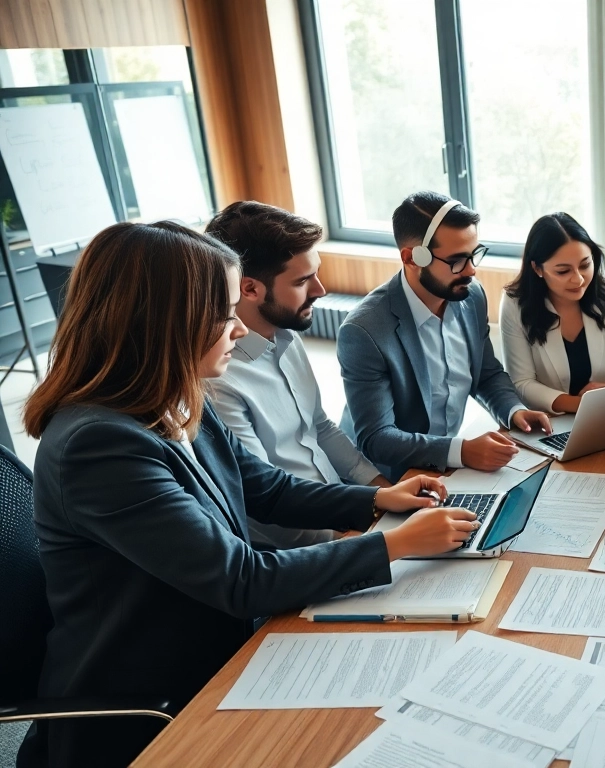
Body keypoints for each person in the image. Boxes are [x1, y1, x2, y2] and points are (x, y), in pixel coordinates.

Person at [18, 221, 481, 768]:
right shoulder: (99, 447)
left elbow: (264, 487)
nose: (239, 328)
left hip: (221, 645)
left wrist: (378, 501)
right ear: (168, 323)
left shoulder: (174, 395)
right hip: (152, 704)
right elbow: (241, 580)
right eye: (223, 314)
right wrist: (394, 545)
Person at [204, 201, 391, 550]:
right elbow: (262, 497)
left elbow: (320, 427)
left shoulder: (287, 334)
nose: (320, 289)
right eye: (303, 280)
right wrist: (355, 543)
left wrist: (385, 491)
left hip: (345, 517)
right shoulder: (217, 381)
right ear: (249, 289)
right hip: (303, 551)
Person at [337, 192, 551, 481]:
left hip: (446, 466)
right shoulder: (364, 331)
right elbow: (377, 438)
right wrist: (462, 451)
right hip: (388, 478)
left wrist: (514, 411)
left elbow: (485, 374)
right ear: (412, 258)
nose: (472, 270)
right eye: (457, 260)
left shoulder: (471, 296)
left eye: (474, 254)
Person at [499, 212, 605, 414]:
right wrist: (582, 405)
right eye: (563, 271)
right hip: (548, 419)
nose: (578, 279)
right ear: (537, 269)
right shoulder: (515, 303)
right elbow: (522, 382)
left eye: (585, 265)